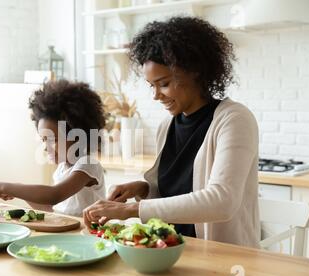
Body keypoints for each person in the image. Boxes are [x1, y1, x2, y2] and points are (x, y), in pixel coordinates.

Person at [83, 16, 260, 248]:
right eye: (152, 86)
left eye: (164, 83)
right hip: (172, 250)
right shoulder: (167, 126)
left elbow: (222, 200)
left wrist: (130, 209)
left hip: (225, 257)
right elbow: (173, 193)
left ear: (195, 71)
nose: (156, 95)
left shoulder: (234, 119)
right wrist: (142, 189)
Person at [0, 79, 106, 216]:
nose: (45, 147)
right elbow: (51, 207)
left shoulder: (88, 165)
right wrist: (15, 192)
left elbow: (54, 195)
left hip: (88, 235)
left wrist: (4, 186)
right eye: (44, 140)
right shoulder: (62, 169)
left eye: (52, 139)